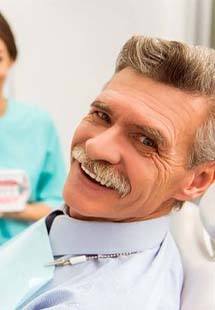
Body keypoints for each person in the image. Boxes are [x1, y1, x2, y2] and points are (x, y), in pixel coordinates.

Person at [1, 35, 215, 309]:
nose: (95, 146)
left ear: (197, 180)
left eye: (146, 141)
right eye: (102, 116)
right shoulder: (82, 231)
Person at [0, 12, 66, 244]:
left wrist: (9, 207)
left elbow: (58, 205)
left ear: (12, 61)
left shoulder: (38, 124)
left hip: (20, 260)